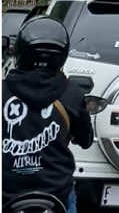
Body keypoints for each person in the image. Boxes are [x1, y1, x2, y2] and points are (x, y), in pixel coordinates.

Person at [2, 17, 93, 213]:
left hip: (7, 192)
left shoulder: (3, 91)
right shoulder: (72, 93)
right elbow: (86, 140)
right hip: (57, 193)